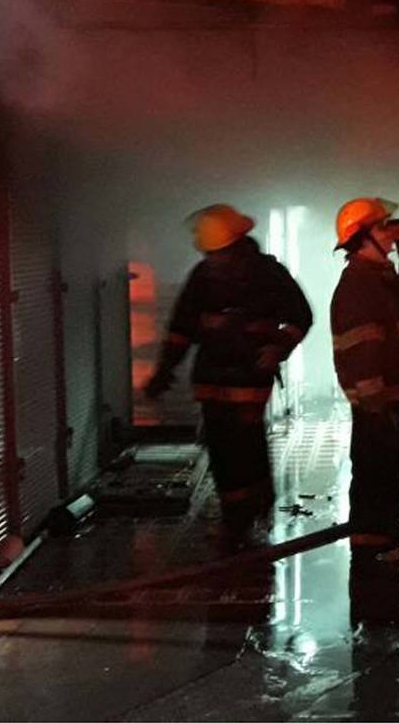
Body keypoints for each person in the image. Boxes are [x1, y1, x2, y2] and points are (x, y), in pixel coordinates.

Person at [145, 203, 313, 547]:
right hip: (212, 380)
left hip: (250, 377)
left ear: (236, 246)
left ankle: (249, 512)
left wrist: (277, 348)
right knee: (222, 449)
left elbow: (301, 316)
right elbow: (181, 329)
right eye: (210, 255)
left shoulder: (268, 274)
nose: (213, 261)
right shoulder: (202, 276)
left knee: (245, 445)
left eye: (218, 254)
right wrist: (164, 370)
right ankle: (238, 515)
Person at [330, 197, 399, 562]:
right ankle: (371, 546)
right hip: (376, 399)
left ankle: (384, 534)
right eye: (382, 227)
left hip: (385, 395)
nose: (390, 232)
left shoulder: (377, 276)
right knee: (376, 468)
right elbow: (361, 349)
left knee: (389, 466)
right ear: (362, 237)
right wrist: (374, 403)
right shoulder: (358, 285)